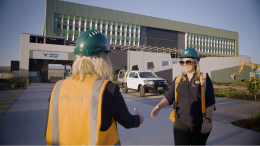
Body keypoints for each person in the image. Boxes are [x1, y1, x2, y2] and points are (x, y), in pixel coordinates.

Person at [46, 30, 144, 145]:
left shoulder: (58, 87)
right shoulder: (108, 89)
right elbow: (127, 121)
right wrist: (139, 118)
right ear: (102, 58)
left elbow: (49, 128)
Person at [151, 48, 215, 145]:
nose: (185, 64)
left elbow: (210, 101)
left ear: (195, 62)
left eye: (188, 62)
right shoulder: (178, 80)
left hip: (199, 123)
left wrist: (207, 119)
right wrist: (159, 106)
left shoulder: (204, 79)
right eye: (182, 62)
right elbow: (169, 97)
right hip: (180, 123)